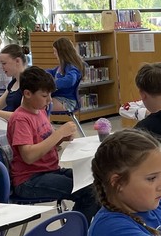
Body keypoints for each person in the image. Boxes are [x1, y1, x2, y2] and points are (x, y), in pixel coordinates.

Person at [7, 66, 99, 221]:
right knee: (89, 192)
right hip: (29, 180)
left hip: (49, 171)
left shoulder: (40, 110)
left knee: (96, 181)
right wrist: (58, 134)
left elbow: (44, 143)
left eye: (50, 94)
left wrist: (61, 138)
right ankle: (75, 234)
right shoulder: (21, 119)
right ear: (27, 94)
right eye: (44, 95)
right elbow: (28, 156)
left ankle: (80, 229)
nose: (49, 100)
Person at [49, 37, 85, 113]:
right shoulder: (62, 67)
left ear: (61, 53)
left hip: (67, 101)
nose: (54, 54)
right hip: (60, 98)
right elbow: (51, 72)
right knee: (39, 103)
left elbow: (70, 80)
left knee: (39, 105)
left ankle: (44, 125)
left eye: (55, 51)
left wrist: (52, 84)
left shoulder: (71, 67)